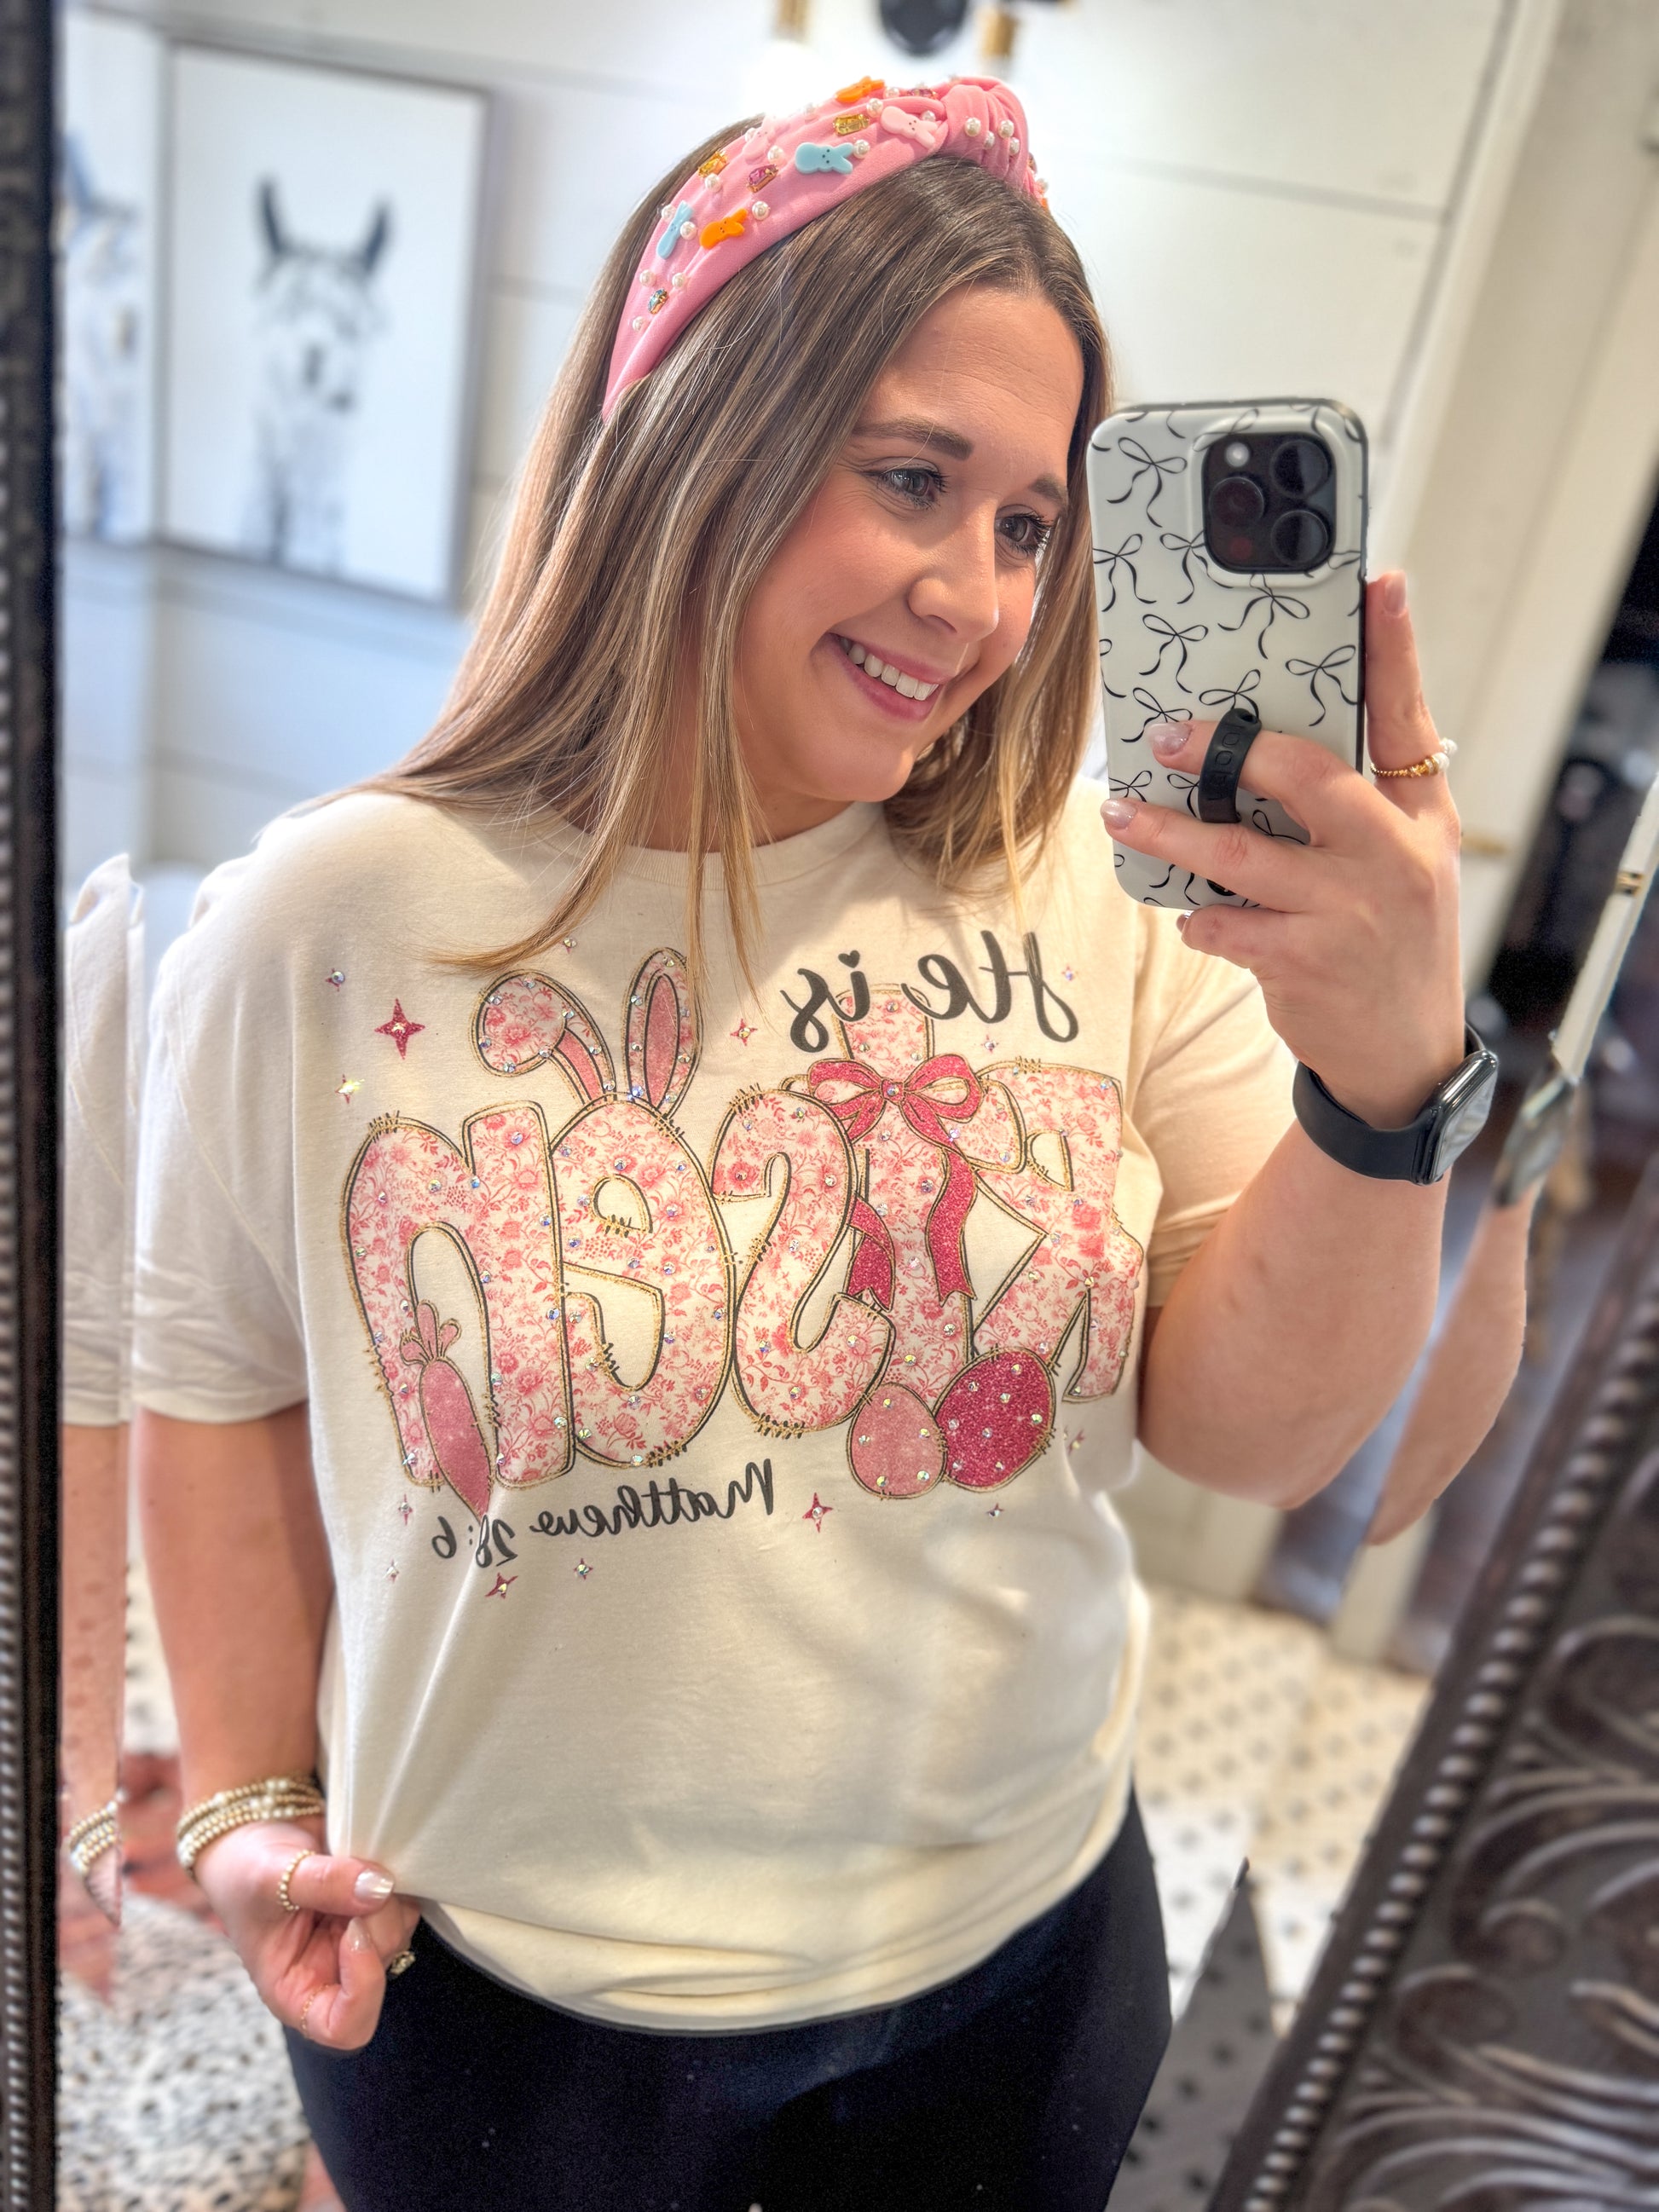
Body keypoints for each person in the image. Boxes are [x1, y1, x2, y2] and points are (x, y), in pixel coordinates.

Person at [131, 72, 1469, 2212]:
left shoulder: (1085, 885)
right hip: (506, 2004)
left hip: (1016, 1953)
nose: (982, 598)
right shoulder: (328, 919)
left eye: (1030, 523)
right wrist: (235, 1797)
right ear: (698, 435)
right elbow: (215, 1380)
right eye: (911, 480)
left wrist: (1382, 1083)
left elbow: (1253, 1430)